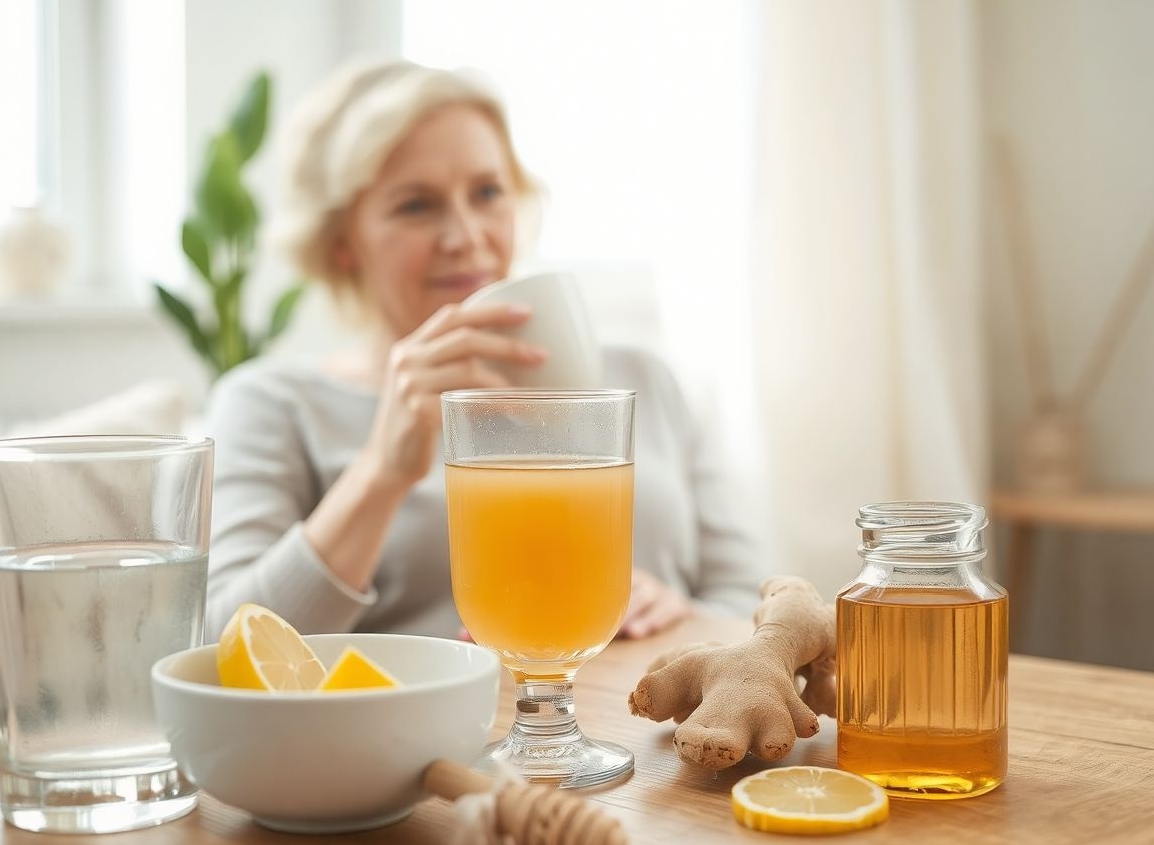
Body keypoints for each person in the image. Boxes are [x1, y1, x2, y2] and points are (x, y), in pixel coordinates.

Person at [204, 58, 761, 643]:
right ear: (342, 241)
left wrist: (678, 610)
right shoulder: (273, 403)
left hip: (646, 728)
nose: (467, 237)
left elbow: (755, 602)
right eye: (416, 205)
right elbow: (225, 646)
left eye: (488, 193)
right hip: (442, 734)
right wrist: (381, 472)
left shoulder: (643, 380)